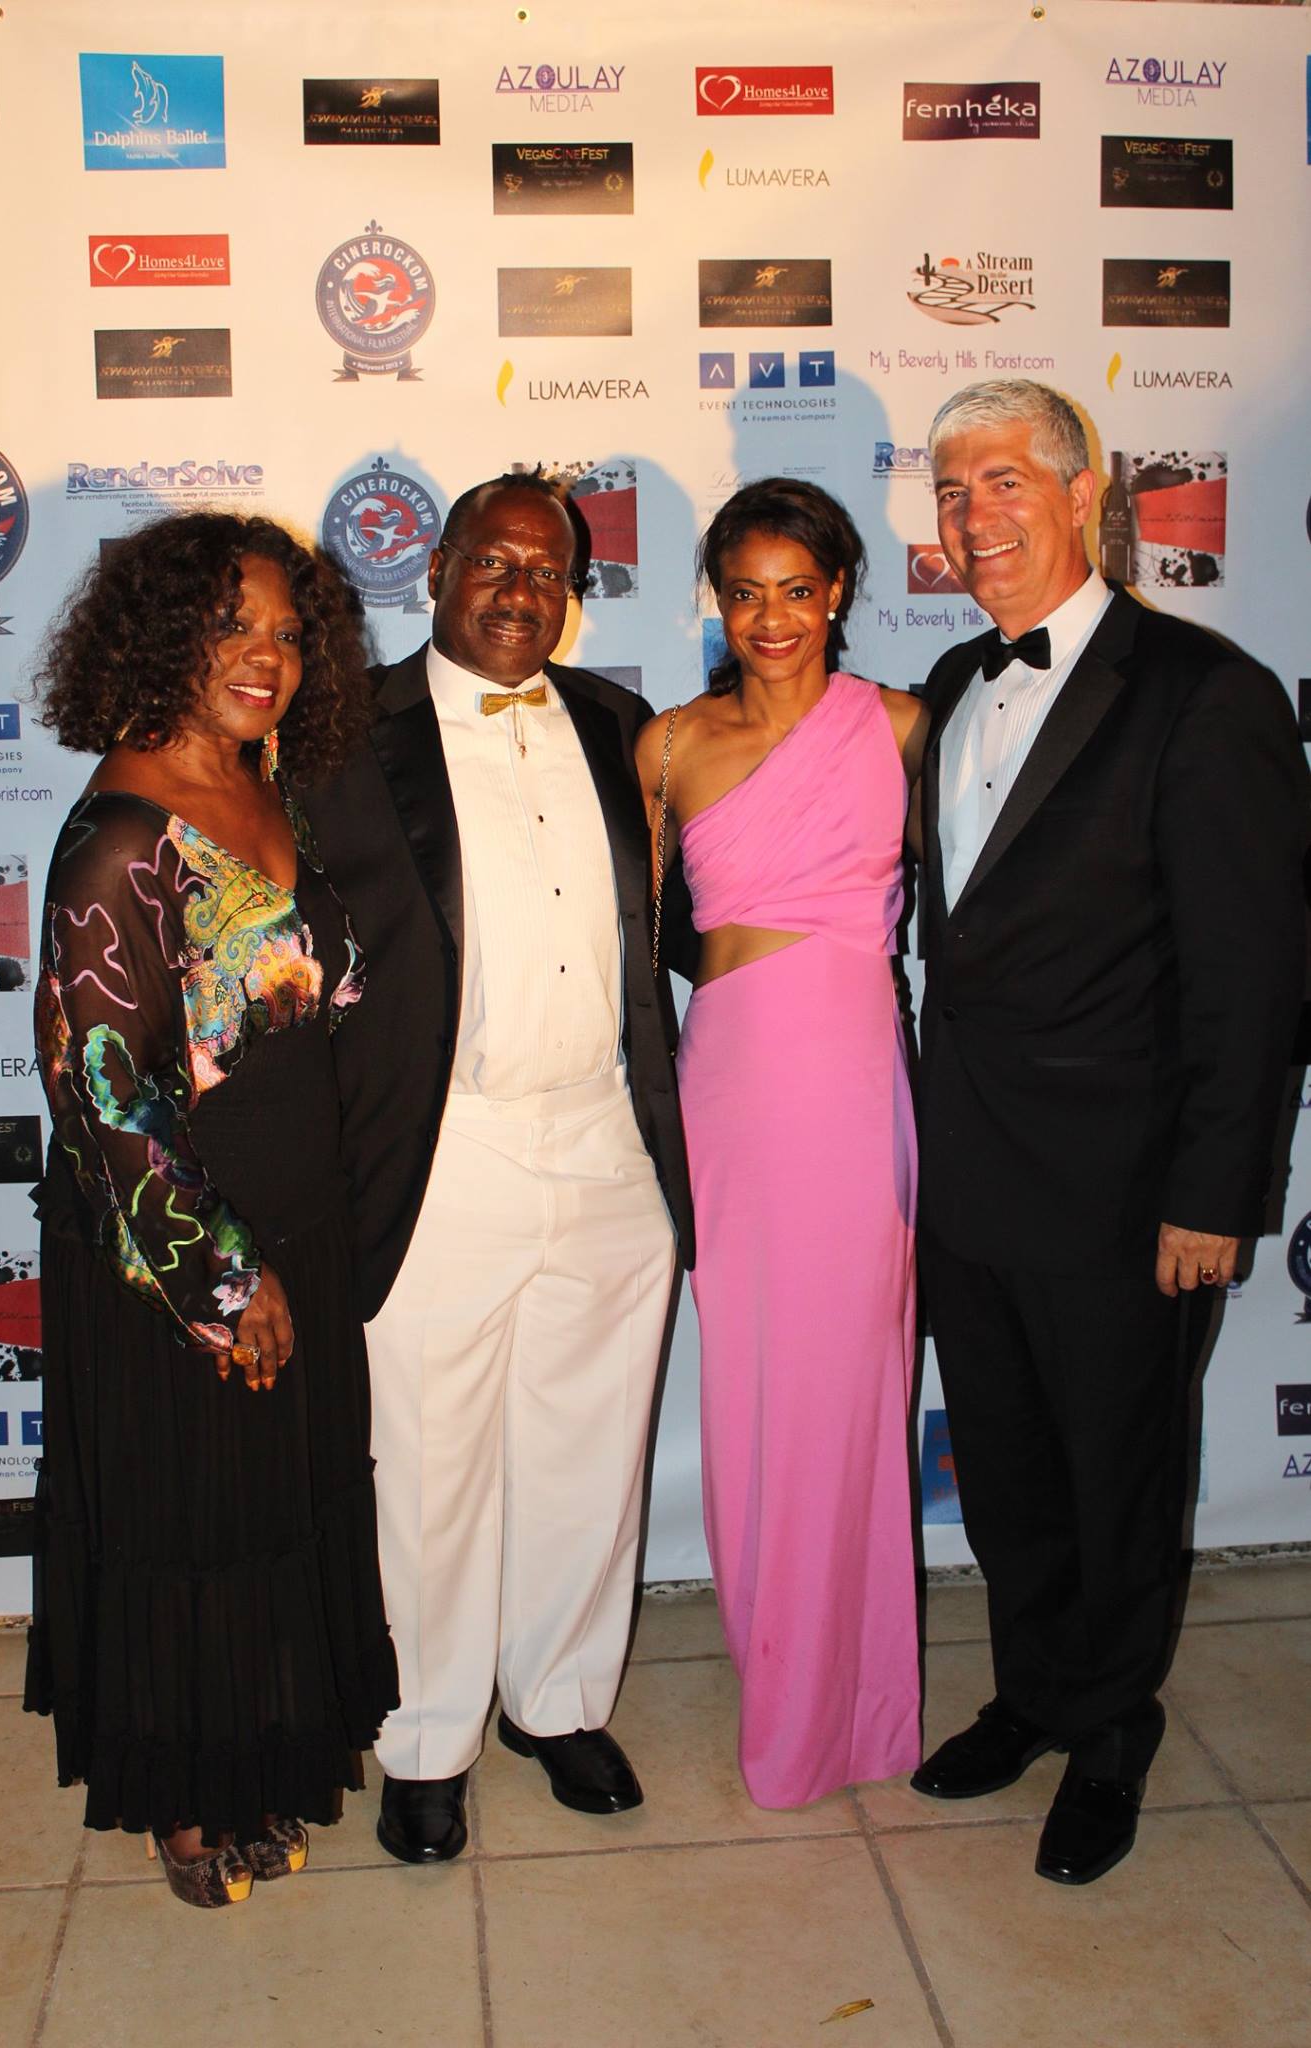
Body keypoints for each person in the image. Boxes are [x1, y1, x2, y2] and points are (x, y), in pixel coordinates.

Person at [913, 379, 1307, 1883]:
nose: (975, 516)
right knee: (1008, 1469)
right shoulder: (950, 684)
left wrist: (1211, 1192)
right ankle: (1033, 1691)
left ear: (1084, 496)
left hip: (1129, 1192)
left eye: (1006, 482)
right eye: (952, 493)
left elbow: (1248, 977)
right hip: (966, 1173)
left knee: (1116, 1473)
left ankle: (1113, 1729)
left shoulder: (1206, 695)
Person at [303, 473, 693, 1865]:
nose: (520, 586)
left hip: (605, 1139)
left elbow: (697, 916)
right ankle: (426, 1736)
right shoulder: (341, 733)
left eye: (547, 566)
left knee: (589, 1449)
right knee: (428, 1465)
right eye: (493, 560)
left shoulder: (622, 726)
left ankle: (558, 1702)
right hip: (437, 1153)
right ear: (436, 571)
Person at [25, 513, 399, 1908]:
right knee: (186, 1528)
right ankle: (182, 1800)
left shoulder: (268, 791)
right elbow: (107, 1106)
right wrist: (226, 1288)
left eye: (289, 634)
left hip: (295, 1211)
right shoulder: (122, 834)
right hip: (177, 1253)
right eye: (230, 626)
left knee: (268, 1522)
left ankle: (252, 1759)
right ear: (158, 636)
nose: (266, 657)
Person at [634, 479, 928, 1807]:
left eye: (794, 590)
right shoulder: (667, 746)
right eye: (744, 590)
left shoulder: (906, 727)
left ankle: (858, 1706)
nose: (769, 616)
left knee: (852, 1390)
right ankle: (784, 1681)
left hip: (857, 1083)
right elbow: (640, 952)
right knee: (754, 1392)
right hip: (736, 1085)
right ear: (716, 597)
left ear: (837, 597)